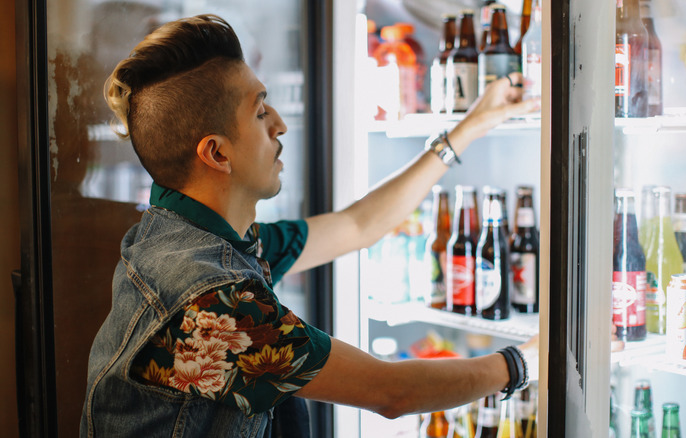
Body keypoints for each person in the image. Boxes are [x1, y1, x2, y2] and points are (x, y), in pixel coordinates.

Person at [80, 14, 540, 438]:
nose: (280, 125)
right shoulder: (207, 307)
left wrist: (471, 125)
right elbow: (391, 393)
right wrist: (525, 361)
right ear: (217, 153)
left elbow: (358, 225)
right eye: (261, 112)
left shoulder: (196, 239)